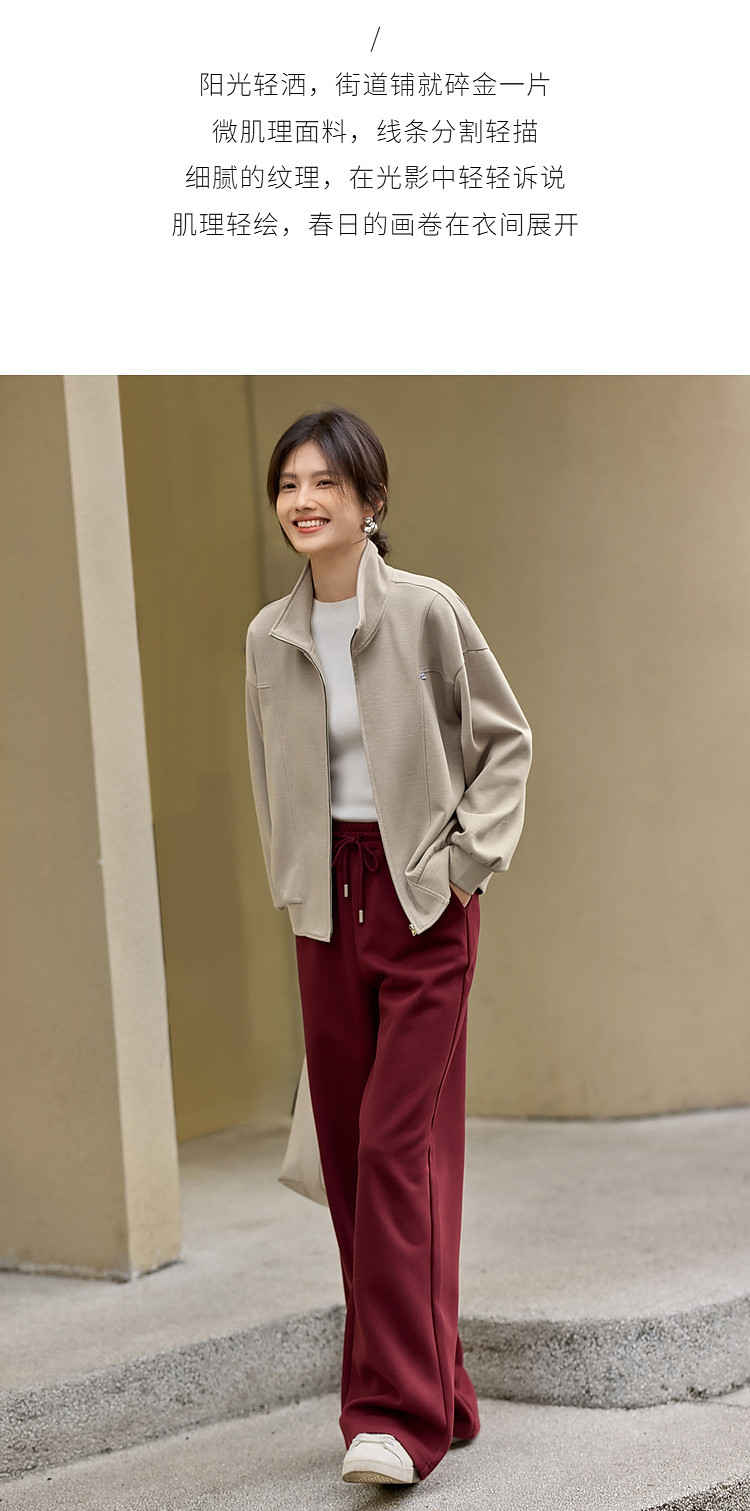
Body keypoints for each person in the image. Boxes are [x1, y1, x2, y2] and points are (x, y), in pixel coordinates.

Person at [244, 406, 532, 1486]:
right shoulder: (267, 637)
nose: (304, 500)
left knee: (392, 1146)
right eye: (289, 484)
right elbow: (270, 772)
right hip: (326, 908)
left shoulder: (425, 611)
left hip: (421, 901)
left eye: (325, 481)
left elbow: (506, 740)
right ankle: (442, 1386)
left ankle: (394, 1416)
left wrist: (462, 865)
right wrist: (296, 883)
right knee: (356, 1163)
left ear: (371, 501)